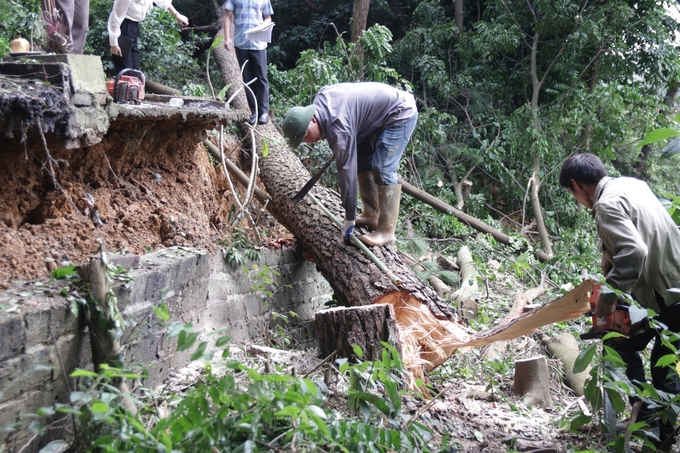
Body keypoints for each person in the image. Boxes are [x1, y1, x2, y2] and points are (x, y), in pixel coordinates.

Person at [559, 153, 680, 450]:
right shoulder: (631, 185)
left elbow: (635, 251)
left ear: (576, 185)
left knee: (662, 363)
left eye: (573, 194)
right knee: (623, 343)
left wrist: (608, 298)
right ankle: (647, 416)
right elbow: (635, 232)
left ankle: (661, 434)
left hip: (665, 293)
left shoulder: (605, 203)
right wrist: (607, 257)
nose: (578, 200)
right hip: (668, 282)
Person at [281, 82, 418, 247]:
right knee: (362, 161)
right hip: (372, 122)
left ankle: (386, 232)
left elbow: (347, 174)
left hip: (399, 112)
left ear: (313, 119)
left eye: (306, 135)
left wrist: (349, 217)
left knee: (382, 169)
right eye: (303, 140)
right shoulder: (322, 102)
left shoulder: (339, 128)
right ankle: (371, 214)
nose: (308, 141)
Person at [223, 0, 273, 125]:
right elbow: (228, 16)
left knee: (261, 78)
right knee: (247, 79)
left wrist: (263, 26)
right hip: (241, 42)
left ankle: (264, 112)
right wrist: (227, 37)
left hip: (259, 43)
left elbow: (268, 18)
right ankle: (254, 112)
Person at [108, 0, 188, 75]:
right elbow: (115, 19)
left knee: (135, 73)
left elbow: (163, 2)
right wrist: (114, 43)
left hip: (134, 28)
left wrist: (177, 15)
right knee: (126, 74)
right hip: (122, 28)